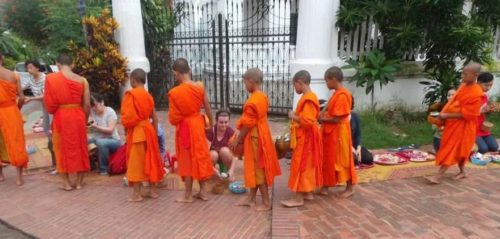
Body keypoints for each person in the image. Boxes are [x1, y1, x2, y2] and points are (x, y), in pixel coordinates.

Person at [229, 68, 281, 211]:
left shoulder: (254, 100)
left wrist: (238, 139)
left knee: (258, 169)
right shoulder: (261, 96)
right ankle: (251, 199)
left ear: (251, 81)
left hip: (255, 138)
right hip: (259, 134)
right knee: (254, 168)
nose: (245, 85)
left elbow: (248, 123)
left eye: (245, 82)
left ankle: (266, 202)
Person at [425, 63, 484, 184]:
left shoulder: (477, 93)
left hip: (464, 126)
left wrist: (447, 115)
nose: (462, 76)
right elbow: (453, 102)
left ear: (475, 75)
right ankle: (462, 171)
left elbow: (469, 115)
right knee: (460, 150)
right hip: (453, 123)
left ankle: (438, 177)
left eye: (465, 74)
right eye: (462, 73)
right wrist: (443, 114)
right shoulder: (463, 86)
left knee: (452, 148)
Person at [168, 58, 214, 203]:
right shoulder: (199, 86)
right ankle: (203, 193)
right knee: (200, 156)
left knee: (187, 159)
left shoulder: (174, 93)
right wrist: (210, 123)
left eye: (175, 74)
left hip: (186, 127)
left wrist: (182, 116)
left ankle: (188, 195)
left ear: (177, 74)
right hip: (198, 124)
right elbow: (207, 107)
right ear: (189, 70)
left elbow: (173, 118)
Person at [44, 54, 90, 191]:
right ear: (72, 64)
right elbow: (87, 104)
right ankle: (80, 183)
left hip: (61, 116)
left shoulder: (51, 79)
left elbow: (49, 105)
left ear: (57, 64)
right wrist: (84, 119)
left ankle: (67, 183)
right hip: (78, 116)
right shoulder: (83, 80)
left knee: (60, 148)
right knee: (80, 147)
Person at [121, 68, 164, 202]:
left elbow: (128, 118)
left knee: (136, 162)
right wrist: (155, 132)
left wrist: (125, 128)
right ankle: (152, 191)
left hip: (138, 132)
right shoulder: (148, 96)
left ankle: (137, 194)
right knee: (151, 159)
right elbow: (154, 117)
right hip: (149, 130)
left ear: (133, 80)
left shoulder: (131, 94)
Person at [280, 70, 322, 208]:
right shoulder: (308, 96)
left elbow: (308, 121)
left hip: (306, 138)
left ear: (300, 82)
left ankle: (298, 198)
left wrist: (294, 116)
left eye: (294, 85)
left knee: (300, 165)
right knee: (307, 165)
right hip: (307, 137)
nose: (295, 88)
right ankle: (307, 192)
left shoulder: (309, 98)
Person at [319, 66, 357, 197]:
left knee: (343, 159)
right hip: (332, 132)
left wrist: (322, 118)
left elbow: (337, 118)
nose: (326, 84)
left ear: (334, 79)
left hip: (340, 132)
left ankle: (350, 187)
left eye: (327, 81)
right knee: (328, 158)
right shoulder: (336, 94)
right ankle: (325, 186)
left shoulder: (343, 95)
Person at [0, 52, 28, 186]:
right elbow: (22, 97)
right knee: (17, 141)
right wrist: (17, 108)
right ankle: (19, 178)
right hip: (11, 111)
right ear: (2, 58)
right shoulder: (14, 75)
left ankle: (1, 175)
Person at [24, 60, 57, 173]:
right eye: (27, 68)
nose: (29, 70)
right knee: (48, 133)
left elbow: (46, 95)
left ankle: (58, 165)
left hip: (52, 107)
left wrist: (30, 99)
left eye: (31, 67)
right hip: (44, 107)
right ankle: (55, 164)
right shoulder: (31, 79)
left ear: (37, 68)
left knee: (53, 133)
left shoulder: (45, 78)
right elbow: (21, 86)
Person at [88, 94, 122, 176]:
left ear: (102, 102)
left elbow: (110, 130)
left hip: (113, 140)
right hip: (97, 138)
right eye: (92, 106)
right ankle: (91, 164)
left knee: (101, 142)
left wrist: (96, 126)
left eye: (95, 106)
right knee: (82, 140)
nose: (94, 108)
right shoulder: (92, 112)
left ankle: (104, 169)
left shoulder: (110, 112)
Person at [206, 109, 236, 180]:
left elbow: (235, 156)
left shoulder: (231, 133)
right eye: (221, 122)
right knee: (213, 154)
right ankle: (211, 173)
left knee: (224, 151)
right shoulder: (211, 131)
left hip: (225, 157)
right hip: (213, 157)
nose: (224, 125)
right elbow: (204, 153)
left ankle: (229, 175)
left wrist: (231, 171)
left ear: (229, 122)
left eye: (226, 122)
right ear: (216, 121)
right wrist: (213, 169)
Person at [475, 72, 498, 153]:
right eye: (486, 85)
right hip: (471, 128)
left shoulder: (484, 96)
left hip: (482, 128)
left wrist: (490, 110)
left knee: (494, 147)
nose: (488, 88)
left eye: (490, 85)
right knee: (483, 149)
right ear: (478, 83)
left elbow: (484, 113)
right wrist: (481, 110)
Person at [350, 97, 373, 166]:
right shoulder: (337, 118)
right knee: (354, 161)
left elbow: (358, 134)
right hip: (343, 147)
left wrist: (358, 148)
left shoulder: (355, 116)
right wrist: (350, 148)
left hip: (354, 145)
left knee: (368, 159)